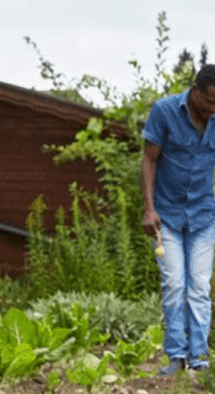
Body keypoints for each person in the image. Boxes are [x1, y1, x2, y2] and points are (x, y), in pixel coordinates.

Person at [141, 64, 215, 375]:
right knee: (174, 284)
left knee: (199, 286)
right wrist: (148, 208)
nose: (214, 109)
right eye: (210, 102)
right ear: (194, 90)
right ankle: (175, 357)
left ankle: (197, 359)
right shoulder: (165, 111)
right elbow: (149, 158)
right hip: (167, 214)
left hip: (203, 215)